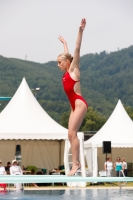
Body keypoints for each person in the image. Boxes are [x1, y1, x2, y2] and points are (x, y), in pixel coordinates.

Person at [57, 18, 88, 176]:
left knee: (72, 134)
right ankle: (76, 164)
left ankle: (76, 164)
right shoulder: (65, 74)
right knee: (70, 135)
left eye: (59, 62)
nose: (58, 64)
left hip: (79, 104)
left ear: (67, 62)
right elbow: (67, 52)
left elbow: (76, 49)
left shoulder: (73, 69)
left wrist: (80, 30)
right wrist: (64, 43)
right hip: (73, 107)